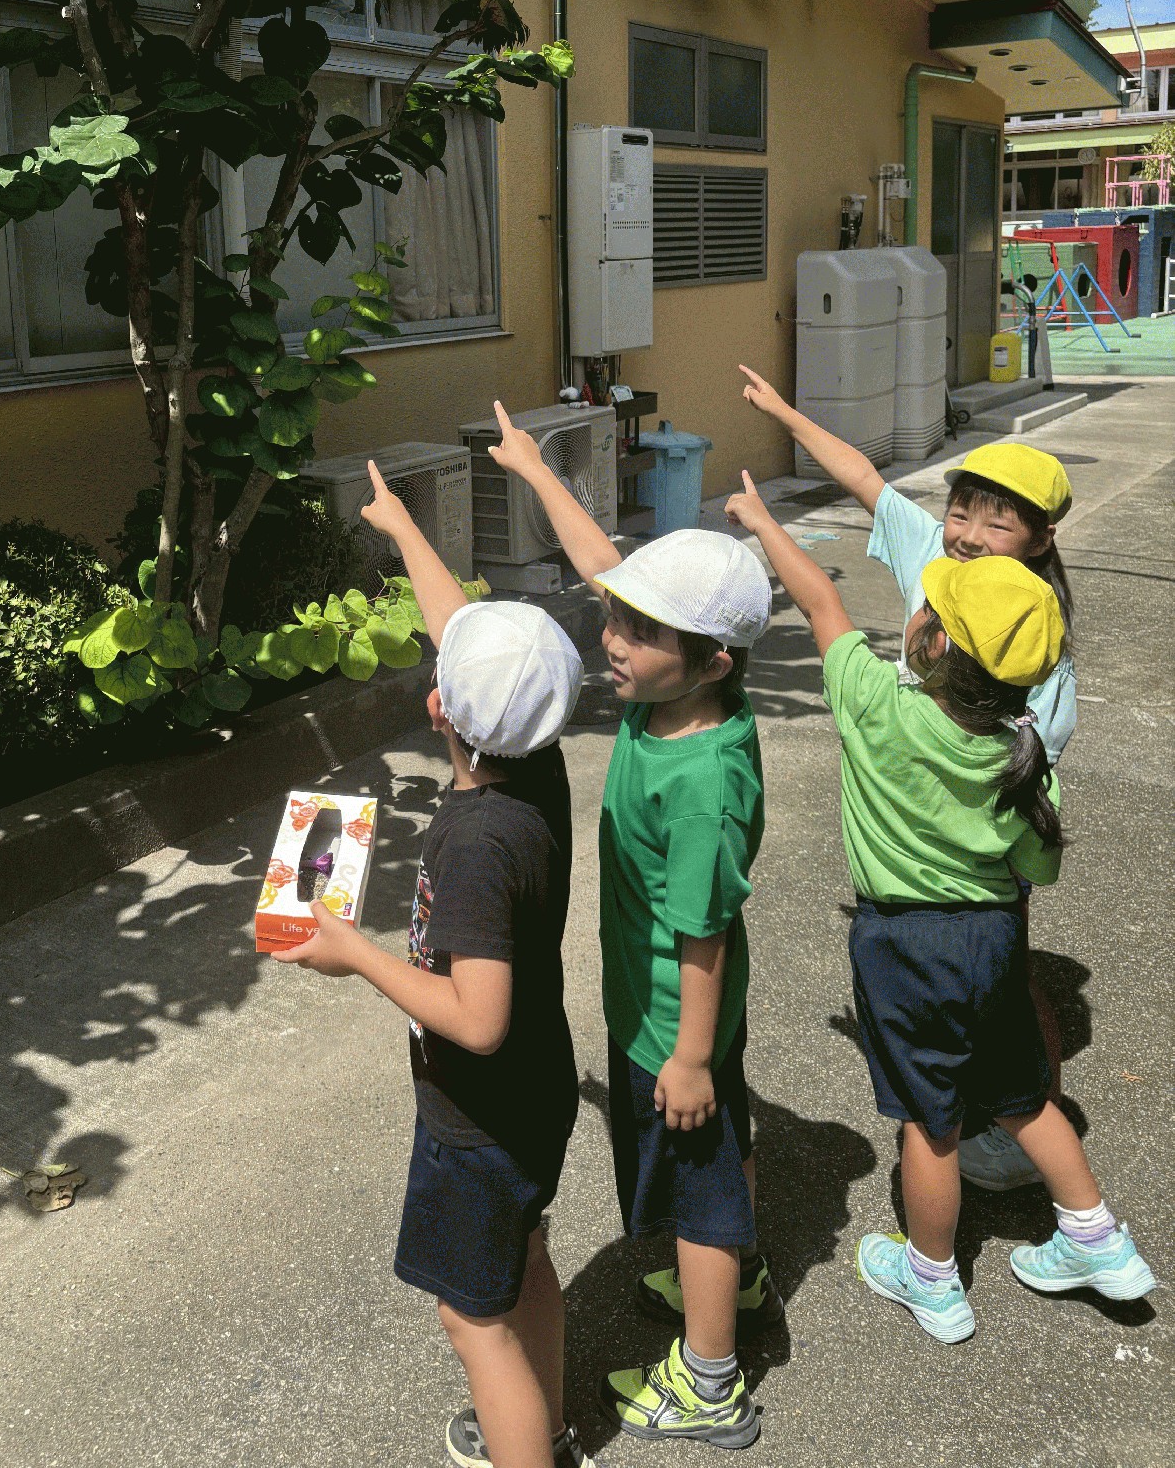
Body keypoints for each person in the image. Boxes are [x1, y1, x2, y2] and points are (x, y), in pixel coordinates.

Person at [723, 470, 1155, 1341]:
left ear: (933, 641)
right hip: (993, 939)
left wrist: (763, 522)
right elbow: (1038, 868)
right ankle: (1096, 1237)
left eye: (929, 607)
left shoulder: (876, 706)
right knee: (1023, 1096)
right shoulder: (1023, 755)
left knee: (932, 1122)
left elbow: (820, 602)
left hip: (905, 946)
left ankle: (931, 1277)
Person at [275, 461, 592, 1468]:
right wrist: (403, 529)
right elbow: (463, 631)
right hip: (537, 1092)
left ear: (436, 708)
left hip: (480, 1116)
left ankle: (522, 1446)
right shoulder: (536, 767)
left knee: (472, 1320)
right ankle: (544, 1429)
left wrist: (356, 953)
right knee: (523, 1262)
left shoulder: (476, 844)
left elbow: (477, 1017)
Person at [489, 402, 773, 1450]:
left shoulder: (700, 781)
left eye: (639, 631)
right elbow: (604, 562)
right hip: (669, 1010)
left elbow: (704, 933)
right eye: (616, 618)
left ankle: (712, 1382)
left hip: (672, 1015)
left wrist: (687, 1057)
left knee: (699, 1190)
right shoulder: (673, 698)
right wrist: (533, 469)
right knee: (722, 1156)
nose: (611, 638)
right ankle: (736, 1278)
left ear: (712, 660)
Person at [738, 367, 1075, 1195]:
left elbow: (1025, 763)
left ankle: (1009, 1131)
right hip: (956, 833)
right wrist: (784, 413)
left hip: (977, 848)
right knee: (983, 986)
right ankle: (1038, 1150)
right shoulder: (939, 559)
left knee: (1003, 1000)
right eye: (962, 511)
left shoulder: (1028, 634)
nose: (967, 536)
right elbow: (865, 480)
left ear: (1039, 540)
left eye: (997, 522)